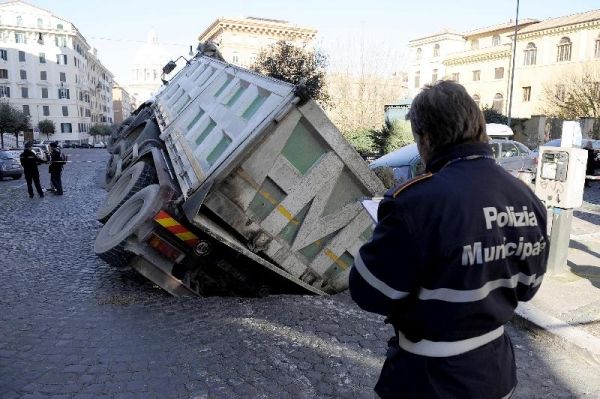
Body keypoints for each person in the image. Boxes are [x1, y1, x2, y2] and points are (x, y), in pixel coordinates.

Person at [350, 80, 549, 399]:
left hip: (428, 380)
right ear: (479, 127)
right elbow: (529, 287)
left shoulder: (416, 203)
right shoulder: (526, 197)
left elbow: (369, 291)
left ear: (426, 140)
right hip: (496, 372)